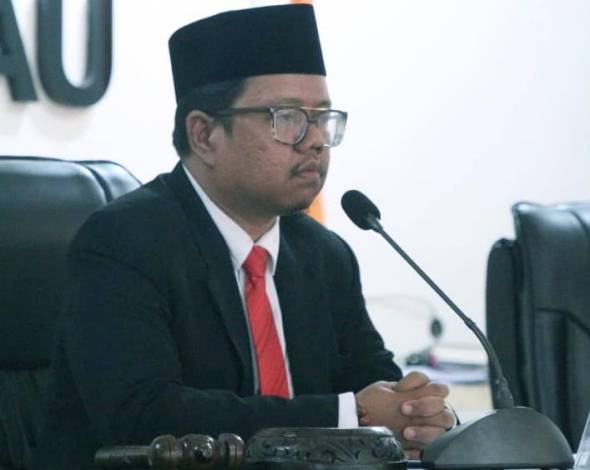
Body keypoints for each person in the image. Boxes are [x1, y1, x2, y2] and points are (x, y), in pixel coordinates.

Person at [33, 5, 454, 470]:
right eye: (288, 118)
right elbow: (146, 415)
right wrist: (350, 415)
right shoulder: (123, 243)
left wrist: (418, 414)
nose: (315, 140)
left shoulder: (324, 254)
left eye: (322, 118)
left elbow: (375, 384)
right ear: (204, 135)